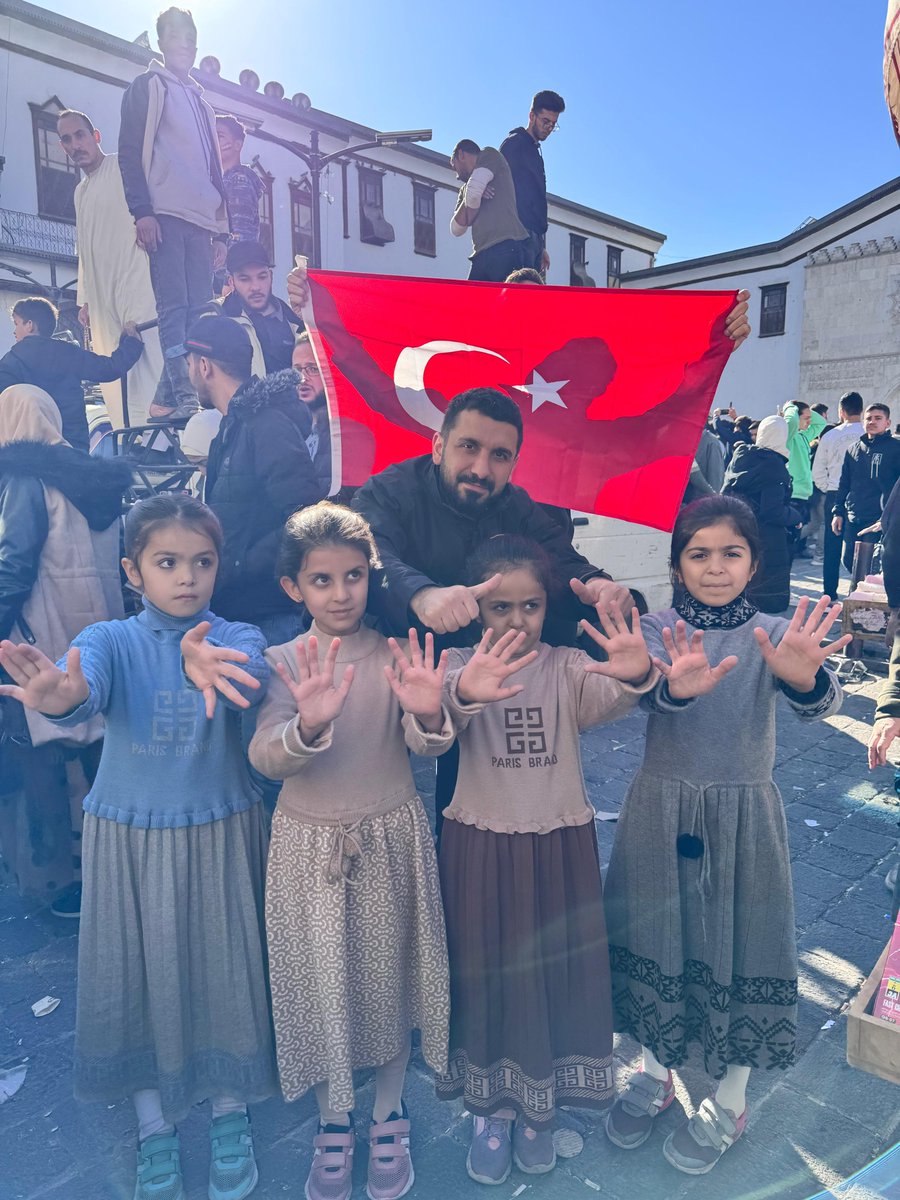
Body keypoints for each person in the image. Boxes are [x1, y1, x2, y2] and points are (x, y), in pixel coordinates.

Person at [0, 493, 277, 1200]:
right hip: (130, 840)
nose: (187, 577)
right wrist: (60, 697)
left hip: (219, 832)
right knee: (136, 977)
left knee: (226, 970)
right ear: (133, 570)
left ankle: (230, 1110)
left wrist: (205, 664)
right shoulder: (109, 639)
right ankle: (154, 1126)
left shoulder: (236, 635)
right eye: (167, 562)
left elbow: (249, 682)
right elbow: (82, 687)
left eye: (202, 562)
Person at [603, 495, 846, 1174]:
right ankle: (655, 1072)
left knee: (746, 941)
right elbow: (639, 696)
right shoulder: (657, 629)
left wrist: (806, 681)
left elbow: (822, 702)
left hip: (744, 816)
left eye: (731, 553)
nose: (715, 567)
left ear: (753, 562)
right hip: (660, 808)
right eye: (699, 554)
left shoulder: (776, 633)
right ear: (677, 565)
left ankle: (732, 1097)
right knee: (654, 932)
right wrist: (666, 687)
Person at [436, 536, 659, 1185]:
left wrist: (631, 673)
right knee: (490, 975)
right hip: (480, 846)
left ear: (546, 606)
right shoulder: (456, 665)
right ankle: (490, 1112)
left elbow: (607, 698)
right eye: (499, 606)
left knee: (554, 974)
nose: (516, 620)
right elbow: (432, 730)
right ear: (476, 608)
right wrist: (462, 693)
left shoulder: (565, 665)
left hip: (557, 846)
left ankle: (539, 1109)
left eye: (530, 605)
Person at [248, 502, 453, 1200]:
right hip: (307, 850)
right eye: (322, 579)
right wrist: (305, 727)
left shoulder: (398, 655)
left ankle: (389, 1110)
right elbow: (265, 755)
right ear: (293, 587)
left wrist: (429, 711)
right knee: (319, 985)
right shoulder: (282, 662)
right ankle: (333, 1119)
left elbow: (428, 745)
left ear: (371, 576)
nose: (341, 593)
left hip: (391, 837)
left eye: (354, 576)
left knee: (391, 980)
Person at [0, 384, 129, 915]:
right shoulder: (97, 479)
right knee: (102, 751)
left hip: (40, 638)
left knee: (43, 759)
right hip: (99, 637)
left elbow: (14, 565)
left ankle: (64, 877)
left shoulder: (23, 478)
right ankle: (116, 867)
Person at [118, 6, 228, 420]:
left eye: (190, 38)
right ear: (161, 41)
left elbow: (214, 168)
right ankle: (184, 395)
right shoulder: (147, 86)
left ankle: (171, 398)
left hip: (201, 218)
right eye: (176, 36)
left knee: (200, 308)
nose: (184, 44)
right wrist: (142, 211)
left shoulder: (202, 103)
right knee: (174, 308)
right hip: (164, 212)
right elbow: (129, 151)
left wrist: (221, 230)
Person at [185, 315, 324, 642]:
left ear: (204, 365)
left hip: (272, 616)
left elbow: (305, 518)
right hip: (245, 610)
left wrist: (237, 564)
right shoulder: (233, 426)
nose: (188, 373)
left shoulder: (266, 425)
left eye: (189, 363)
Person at [57, 108, 166, 428]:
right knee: (113, 372)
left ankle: (160, 443)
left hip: (136, 279)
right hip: (101, 298)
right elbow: (84, 247)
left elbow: (151, 207)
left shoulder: (123, 166)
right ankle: (128, 440)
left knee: (149, 358)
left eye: (80, 135)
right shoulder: (80, 192)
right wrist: (84, 300)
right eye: (67, 139)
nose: (75, 144)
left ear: (95, 136)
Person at [0, 297, 143, 451]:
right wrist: (131, 342)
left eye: (17, 324)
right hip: (72, 443)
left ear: (30, 325)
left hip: (30, 446)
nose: (14, 331)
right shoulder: (68, 352)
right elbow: (110, 369)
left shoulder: (11, 360)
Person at [722, 416, 801, 613]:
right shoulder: (773, 465)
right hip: (767, 535)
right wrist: (796, 516)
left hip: (738, 529)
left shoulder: (741, 457)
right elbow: (772, 510)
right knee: (765, 594)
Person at [832, 402, 900, 583]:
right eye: (869, 418)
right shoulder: (853, 449)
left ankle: (864, 598)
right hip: (854, 516)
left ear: (887, 422)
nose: (872, 422)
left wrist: (888, 518)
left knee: (868, 566)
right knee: (849, 561)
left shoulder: (896, 449)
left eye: (878, 418)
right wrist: (838, 512)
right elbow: (844, 483)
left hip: (879, 519)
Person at [500, 90, 565, 275]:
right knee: (519, 290)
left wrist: (541, 246)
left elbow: (535, 201)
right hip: (517, 236)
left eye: (553, 124)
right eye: (545, 121)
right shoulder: (514, 144)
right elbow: (500, 186)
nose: (549, 128)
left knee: (532, 291)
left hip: (533, 239)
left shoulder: (535, 152)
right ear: (531, 116)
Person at [216, 240, 303, 375]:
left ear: (271, 277)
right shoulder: (216, 318)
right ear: (231, 282)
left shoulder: (294, 320)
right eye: (245, 279)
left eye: (262, 277)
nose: (255, 287)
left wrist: (308, 323)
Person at [449, 140, 530, 282]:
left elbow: (474, 194)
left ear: (461, 154)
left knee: (506, 296)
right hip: (480, 254)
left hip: (506, 245)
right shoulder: (465, 189)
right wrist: (473, 192)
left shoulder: (489, 154)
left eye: (453, 165)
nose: (456, 174)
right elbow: (456, 229)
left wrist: (474, 195)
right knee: (470, 297)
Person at [812, 391, 864, 599]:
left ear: (841, 411)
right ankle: (860, 593)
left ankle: (829, 594)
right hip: (862, 495)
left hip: (834, 494)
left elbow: (818, 470)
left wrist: (828, 488)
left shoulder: (830, 435)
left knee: (832, 547)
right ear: (862, 410)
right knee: (863, 545)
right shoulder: (868, 434)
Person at [782, 400, 825, 557]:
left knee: (794, 540)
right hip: (792, 495)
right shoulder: (790, 435)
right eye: (806, 418)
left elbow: (821, 423)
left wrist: (806, 411)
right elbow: (790, 421)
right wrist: (790, 407)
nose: (809, 421)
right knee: (787, 542)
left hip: (803, 495)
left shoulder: (804, 436)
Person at [292, 332, 332, 494]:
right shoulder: (295, 433)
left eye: (313, 369)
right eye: (297, 369)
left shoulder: (347, 436)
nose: (302, 378)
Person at [215, 114, 264, 244]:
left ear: (237, 145)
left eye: (219, 136)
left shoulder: (238, 180)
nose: (213, 141)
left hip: (230, 255)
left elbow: (239, 231)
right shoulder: (224, 179)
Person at [683, 427, 725, 503]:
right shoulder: (684, 439)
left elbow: (714, 476)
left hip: (700, 500)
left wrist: (714, 499)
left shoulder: (711, 442)